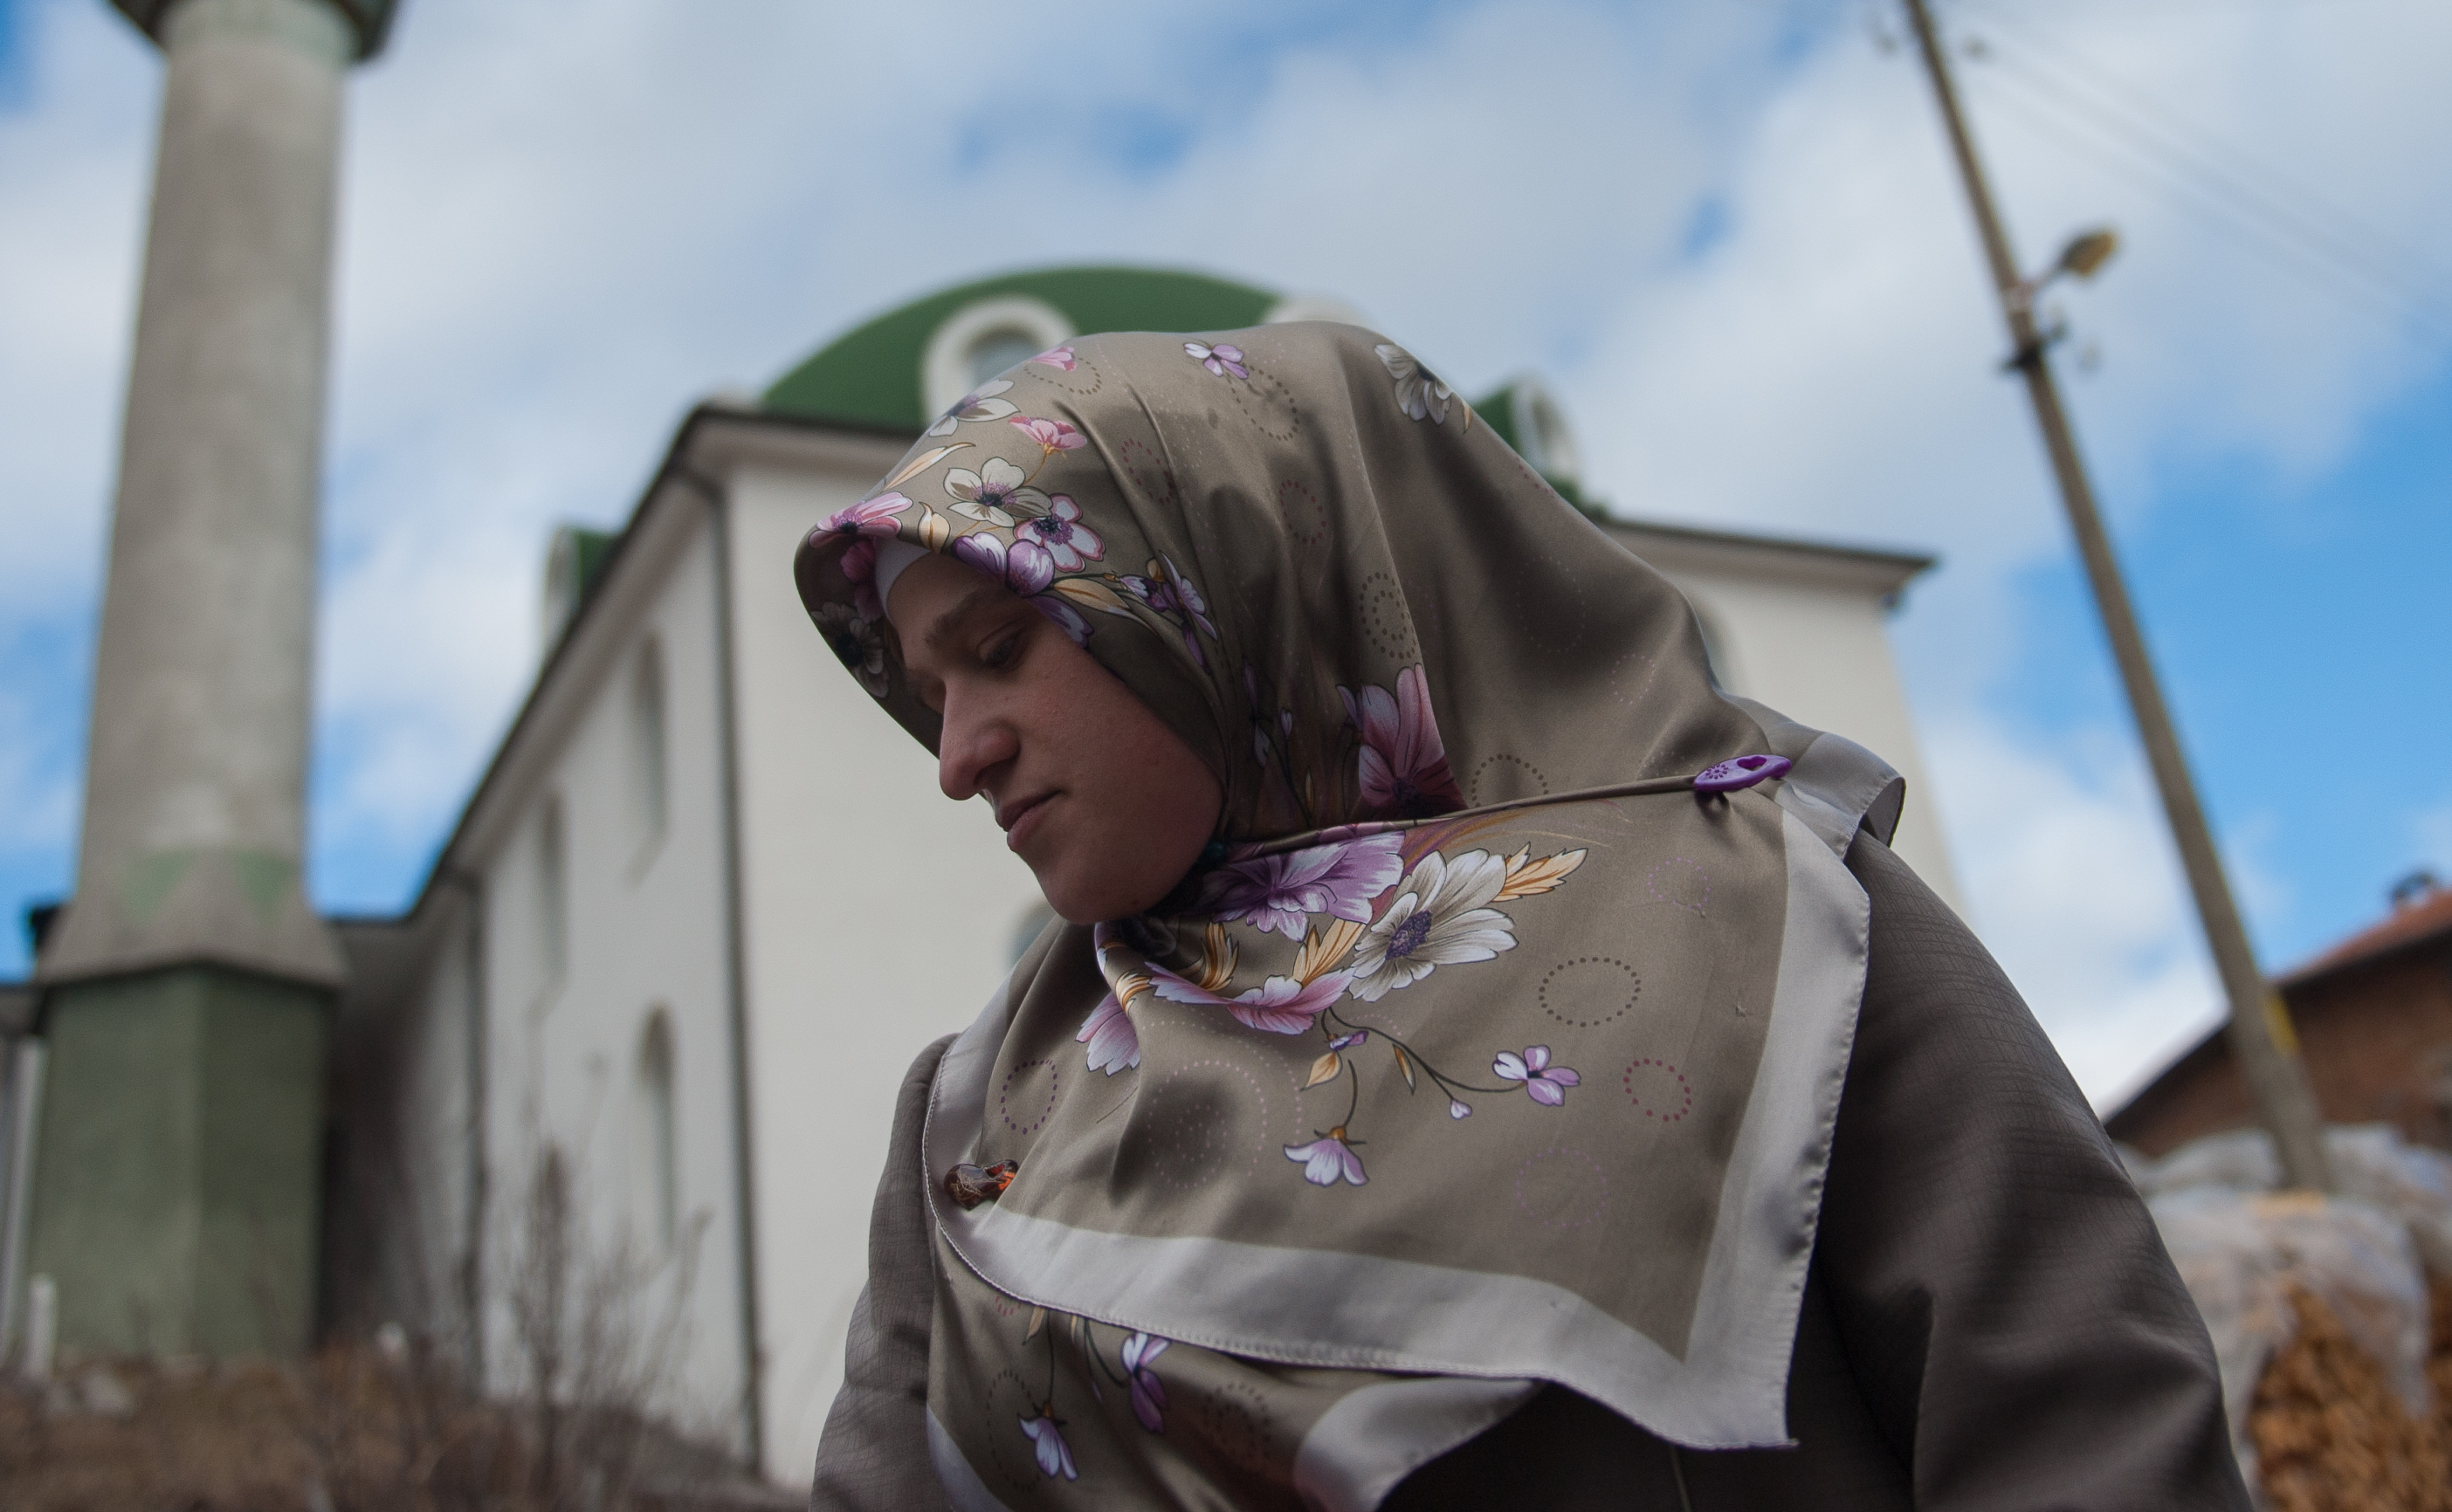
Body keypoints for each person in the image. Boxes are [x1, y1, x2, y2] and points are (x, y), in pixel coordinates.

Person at [796, 324, 2244, 1509]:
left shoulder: (1759, 921)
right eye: (930, 699)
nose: (955, 757)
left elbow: (2085, 1440)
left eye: (997, 651)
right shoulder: (981, 1124)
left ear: (1224, 597)